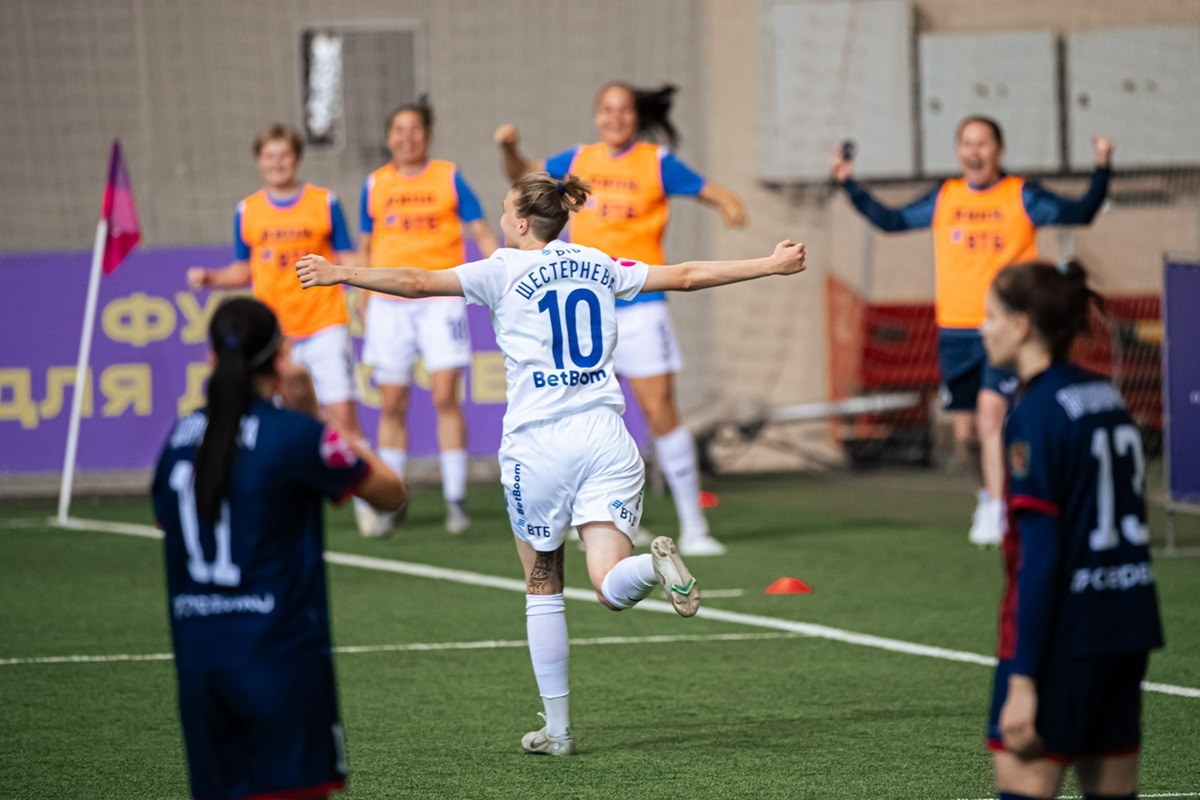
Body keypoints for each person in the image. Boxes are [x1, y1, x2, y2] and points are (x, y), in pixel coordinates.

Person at [296, 172, 806, 755]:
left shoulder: (500, 268)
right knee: (610, 587)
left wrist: (341, 273)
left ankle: (559, 732)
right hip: (608, 439)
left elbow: (413, 281)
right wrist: (769, 264)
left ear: (519, 222)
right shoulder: (599, 262)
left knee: (544, 585)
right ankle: (652, 566)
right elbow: (687, 276)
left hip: (539, 446)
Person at [151, 297, 406, 800]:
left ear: (210, 357)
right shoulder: (293, 436)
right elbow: (390, 493)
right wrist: (315, 415)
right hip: (279, 661)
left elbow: (166, 522)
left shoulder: (179, 438)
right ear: (281, 357)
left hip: (200, 668)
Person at [831, 117, 1114, 547]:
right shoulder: (946, 198)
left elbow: (1082, 213)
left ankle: (1002, 510)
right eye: (967, 143)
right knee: (965, 433)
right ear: (959, 150)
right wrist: (849, 184)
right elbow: (890, 221)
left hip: (1008, 330)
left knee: (990, 417)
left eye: (983, 143)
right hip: (955, 333)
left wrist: (1102, 168)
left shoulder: (1022, 196)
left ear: (998, 151)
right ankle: (987, 495)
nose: (974, 151)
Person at [494, 82, 747, 556]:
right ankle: (597, 515)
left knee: (659, 411)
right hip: (586, 308)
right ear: (596, 116)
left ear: (635, 117)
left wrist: (729, 203)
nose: (615, 118)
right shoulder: (576, 159)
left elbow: (709, 190)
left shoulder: (656, 162)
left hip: (641, 305)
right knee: (579, 413)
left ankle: (694, 525)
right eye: (607, 109)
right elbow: (524, 177)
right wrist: (509, 148)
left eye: (624, 110)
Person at [979, 261, 1163, 800]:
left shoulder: (1035, 414)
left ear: (1021, 326)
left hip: (1064, 635)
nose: (981, 329)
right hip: (1126, 624)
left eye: (990, 316)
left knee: (1024, 783)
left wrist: (1022, 680)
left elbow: (1040, 557)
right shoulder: (1106, 395)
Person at [185, 124, 383, 537]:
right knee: (279, 421)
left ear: (296, 158)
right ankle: (292, 498)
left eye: (284, 155)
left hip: (324, 324)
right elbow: (244, 268)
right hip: (273, 337)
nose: (277, 163)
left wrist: (366, 294)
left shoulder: (324, 203)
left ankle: (369, 500)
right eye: (269, 156)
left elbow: (346, 258)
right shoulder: (248, 211)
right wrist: (211, 278)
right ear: (259, 161)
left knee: (342, 414)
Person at [358, 98, 499, 536]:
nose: (407, 137)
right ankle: (393, 499)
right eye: (398, 130)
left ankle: (455, 499)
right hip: (389, 305)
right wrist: (363, 297)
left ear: (428, 135)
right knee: (393, 402)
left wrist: (505, 276)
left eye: (415, 129)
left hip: (440, 300)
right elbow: (365, 245)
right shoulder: (375, 184)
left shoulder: (449, 177)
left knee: (444, 397)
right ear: (388, 138)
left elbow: (481, 233)